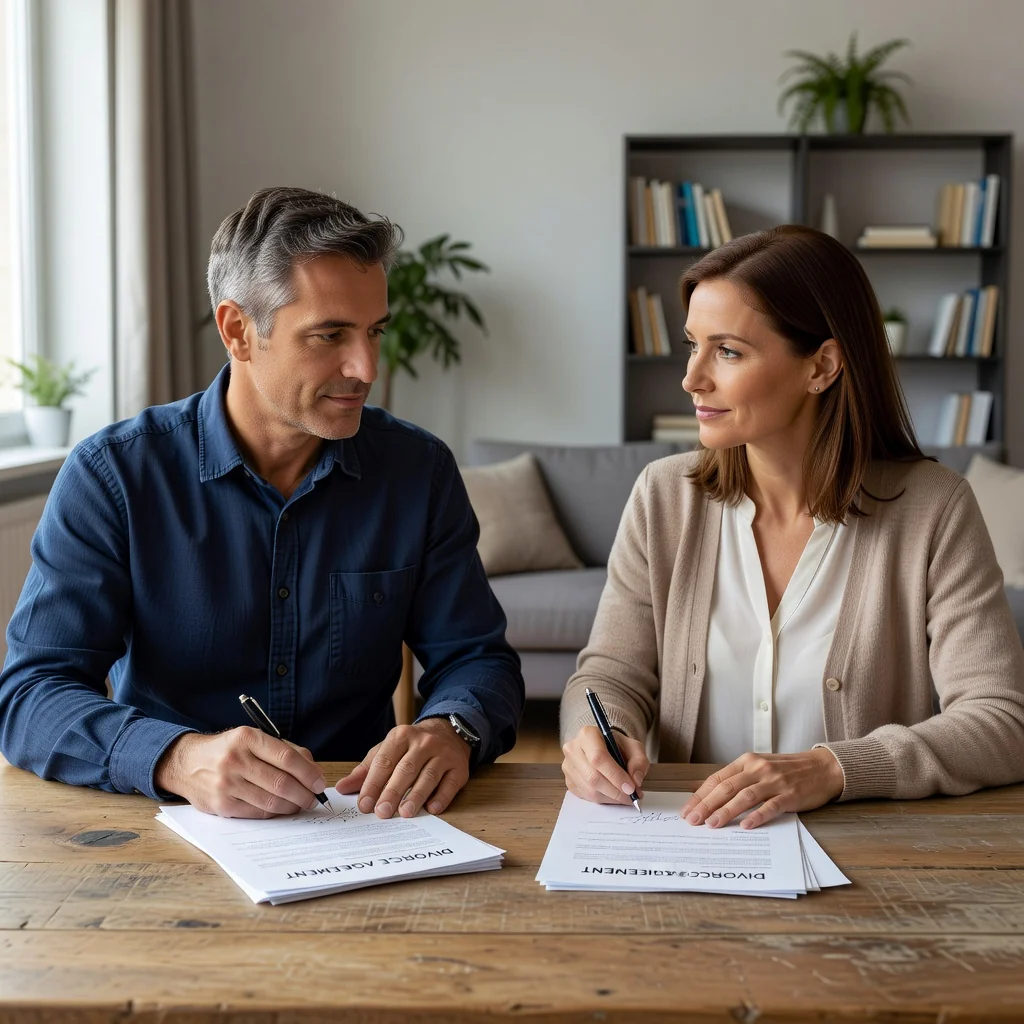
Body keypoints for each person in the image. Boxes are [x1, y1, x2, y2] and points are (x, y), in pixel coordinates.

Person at [0, 186, 523, 820]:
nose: (366, 366)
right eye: (330, 335)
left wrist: (453, 729)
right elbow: (31, 696)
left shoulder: (419, 471)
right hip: (164, 827)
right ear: (238, 331)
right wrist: (175, 757)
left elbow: (477, 658)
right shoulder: (114, 475)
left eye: (374, 331)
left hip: (367, 827)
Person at [561, 224, 1024, 829]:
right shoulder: (663, 496)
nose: (692, 378)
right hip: (690, 849)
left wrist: (835, 768)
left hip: (867, 863)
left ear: (822, 366)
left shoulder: (934, 509)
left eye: (727, 351)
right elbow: (606, 676)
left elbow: (1000, 719)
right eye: (691, 345)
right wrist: (599, 733)